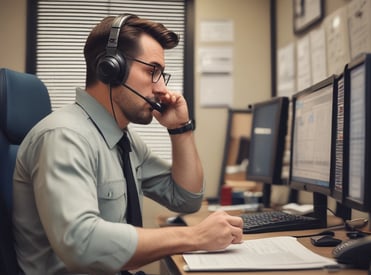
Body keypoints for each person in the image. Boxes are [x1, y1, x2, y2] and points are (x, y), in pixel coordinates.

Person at [12, 13, 243, 275]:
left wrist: (181, 129)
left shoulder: (124, 140)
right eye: (151, 71)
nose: (161, 89)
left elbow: (186, 199)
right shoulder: (64, 136)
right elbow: (81, 244)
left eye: (161, 75)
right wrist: (195, 237)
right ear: (111, 68)